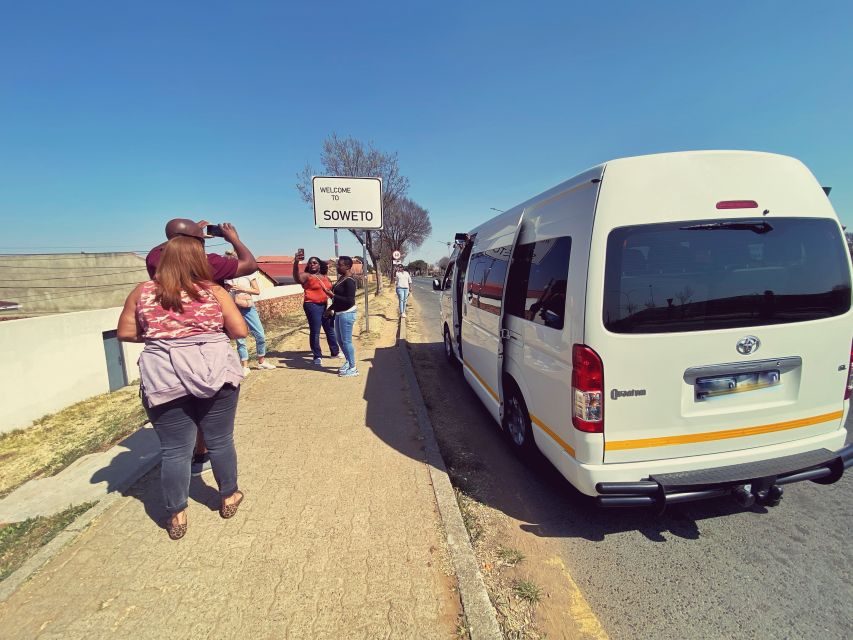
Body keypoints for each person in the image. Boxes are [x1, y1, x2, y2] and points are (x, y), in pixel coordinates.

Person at [118, 235, 248, 540]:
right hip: (214, 369)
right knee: (220, 440)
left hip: (164, 373)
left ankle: (176, 514)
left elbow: (125, 331)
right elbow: (239, 330)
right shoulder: (213, 291)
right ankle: (228, 496)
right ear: (197, 261)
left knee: (175, 449)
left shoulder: (144, 291)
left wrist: (165, 338)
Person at [146, 219, 257, 477]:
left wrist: (185, 233)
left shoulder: (154, 261)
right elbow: (250, 264)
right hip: (207, 349)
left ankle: (188, 468)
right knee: (210, 410)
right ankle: (213, 469)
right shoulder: (208, 265)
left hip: (166, 352)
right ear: (199, 242)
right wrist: (233, 238)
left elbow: (129, 332)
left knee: (181, 418)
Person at [224, 250, 275, 374]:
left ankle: (261, 361)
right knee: (240, 338)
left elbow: (257, 291)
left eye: (234, 260)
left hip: (249, 307)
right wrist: (229, 289)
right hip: (234, 308)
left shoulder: (248, 274)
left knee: (260, 334)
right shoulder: (226, 276)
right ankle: (245, 366)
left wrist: (242, 288)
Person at [292, 249, 340, 366]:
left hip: (325, 305)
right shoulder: (307, 276)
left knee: (329, 329)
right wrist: (296, 263)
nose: (312, 264)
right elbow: (297, 278)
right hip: (312, 305)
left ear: (319, 265)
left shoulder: (324, 276)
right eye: (310, 263)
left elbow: (330, 289)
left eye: (315, 263)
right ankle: (317, 356)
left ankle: (335, 352)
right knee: (315, 331)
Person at [321, 256, 359, 377]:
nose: (337, 267)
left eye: (339, 265)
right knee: (340, 340)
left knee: (347, 342)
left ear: (347, 266)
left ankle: (353, 368)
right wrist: (330, 309)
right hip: (339, 313)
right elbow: (338, 300)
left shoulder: (350, 281)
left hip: (347, 313)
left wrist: (332, 295)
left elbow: (349, 301)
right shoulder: (341, 279)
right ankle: (348, 362)